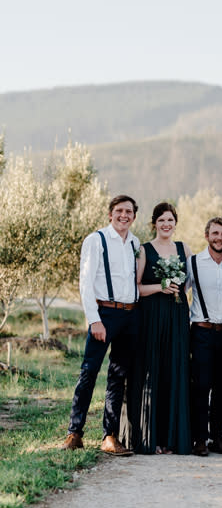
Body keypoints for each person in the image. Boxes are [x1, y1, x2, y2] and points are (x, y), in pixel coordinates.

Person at [62, 195, 141, 456]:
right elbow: (85, 282)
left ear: (134, 216)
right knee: (89, 372)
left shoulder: (135, 243)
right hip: (104, 314)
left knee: (118, 376)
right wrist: (94, 319)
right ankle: (75, 433)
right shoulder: (96, 240)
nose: (124, 215)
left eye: (128, 212)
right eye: (119, 211)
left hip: (130, 315)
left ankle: (109, 436)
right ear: (110, 214)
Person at [121, 202, 192, 455]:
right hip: (151, 318)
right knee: (153, 371)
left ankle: (171, 439)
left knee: (174, 371)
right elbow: (136, 287)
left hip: (177, 316)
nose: (166, 224)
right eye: (161, 220)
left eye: (170, 220)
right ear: (154, 224)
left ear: (175, 223)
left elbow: (190, 282)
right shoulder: (144, 250)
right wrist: (161, 286)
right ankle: (149, 437)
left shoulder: (184, 248)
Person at [185, 217, 222, 457]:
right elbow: (178, 292)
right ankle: (199, 438)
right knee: (200, 386)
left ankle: (217, 437)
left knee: (221, 388)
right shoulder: (193, 263)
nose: (219, 238)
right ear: (206, 235)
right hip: (202, 332)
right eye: (215, 233)